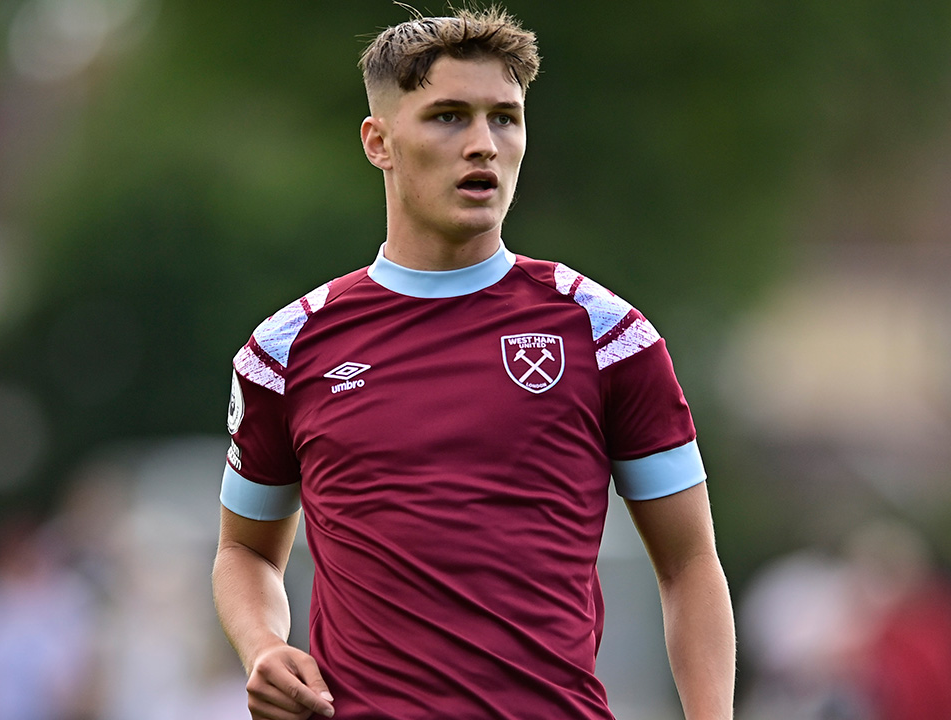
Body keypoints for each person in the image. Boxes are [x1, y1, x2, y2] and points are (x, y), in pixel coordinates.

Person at [212, 7, 736, 719]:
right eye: (449, 117)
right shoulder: (286, 351)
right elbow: (246, 551)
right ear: (379, 141)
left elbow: (689, 564)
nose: (484, 145)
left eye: (505, 118)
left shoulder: (607, 335)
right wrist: (264, 646)